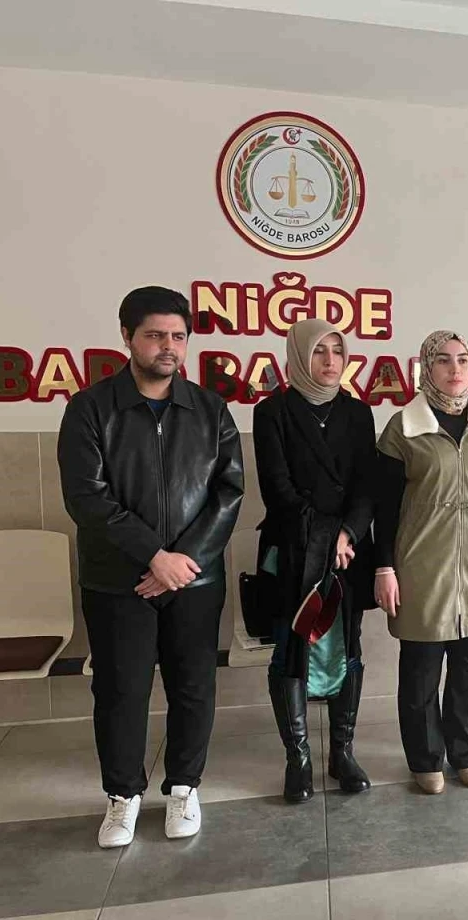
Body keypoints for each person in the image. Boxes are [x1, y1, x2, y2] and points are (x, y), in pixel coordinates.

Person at [58, 286, 243, 849]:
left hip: (195, 578)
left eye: (178, 336)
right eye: (155, 335)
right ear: (127, 337)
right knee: (121, 691)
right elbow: (87, 498)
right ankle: (123, 796)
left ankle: (184, 787)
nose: (169, 346)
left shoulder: (210, 410)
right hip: (119, 581)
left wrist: (183, 562)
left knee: (194, 686)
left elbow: (228, 492)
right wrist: (154, 557)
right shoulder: (91, 409)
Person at [374, 331, 468, 794]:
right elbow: (385, 507)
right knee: (421, 667)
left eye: (463, 360)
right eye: (443, 360)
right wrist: (384, 567)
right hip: (422, 565)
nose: (455, 369)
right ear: (426, 367)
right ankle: (425, 758)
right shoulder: (404, 428)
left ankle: (466, 753)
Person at [253, 318, 377, 803]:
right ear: (299, 357)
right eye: (319, 352)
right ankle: (298, 759)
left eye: (337, 351)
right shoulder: (272, 412)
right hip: (294, 550)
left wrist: (348, 533)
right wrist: (328, 538)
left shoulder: (358, 413)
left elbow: (367, 487)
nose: (329, 361)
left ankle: (342, 753)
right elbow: (278, 489)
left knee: (348, 647)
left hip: (348, 552)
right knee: (290, 648)